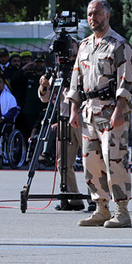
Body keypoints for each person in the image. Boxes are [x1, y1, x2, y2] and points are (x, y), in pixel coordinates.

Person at [67, 0, 132, 228]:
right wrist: (74, 109)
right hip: (89, 112)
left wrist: (119, 111)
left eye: (96, 13)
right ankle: (101, 208)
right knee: (91, 162)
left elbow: (126, 81)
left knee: (114, 160)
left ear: (107, 16)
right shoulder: (84, 45)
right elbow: (76, 79)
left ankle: (122, 211)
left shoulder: (119, 45)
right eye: (89, 14)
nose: (92, 18)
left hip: (111, 110)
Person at [38, 63, 85, 211]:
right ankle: (73, 198)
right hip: (64, 119)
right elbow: (45, 98)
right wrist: (44, 84)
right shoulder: (56, 73)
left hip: (84, 118)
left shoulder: (84, 66)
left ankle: (96, 199)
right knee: (63, 163)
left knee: (91, 160)